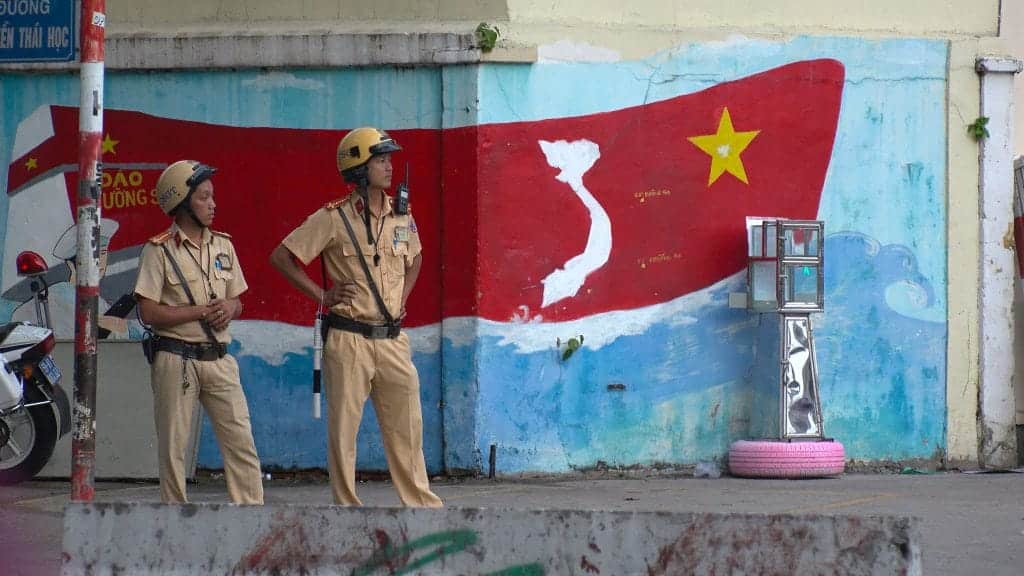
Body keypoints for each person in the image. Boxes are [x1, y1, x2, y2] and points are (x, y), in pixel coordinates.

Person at [269, 127, 442, 507]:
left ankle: (422, 507)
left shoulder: (401, 214)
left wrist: (400, 299)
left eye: (389, 159)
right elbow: (282, 256)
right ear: (360, 169)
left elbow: (416, 258)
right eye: (380, 160)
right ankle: (346, 508)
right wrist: (323, 296)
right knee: (344, 431)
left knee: (408, 429)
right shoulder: (332, 218)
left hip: (393, 339)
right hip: (348, 339)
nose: (389, 166)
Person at [134, 160, 263, 504]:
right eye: (204, 197)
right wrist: (200, 312)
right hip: (177, 359)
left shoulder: (224, 245)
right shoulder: (159, 250)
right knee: (173, 448)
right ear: (182, 202)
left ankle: (252, 518)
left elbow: (238, 301)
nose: (213, 204)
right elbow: (147, 311)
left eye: (212, 197)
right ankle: (174, 520)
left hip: (219, 359)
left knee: (241, 443)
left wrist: (229, 308)